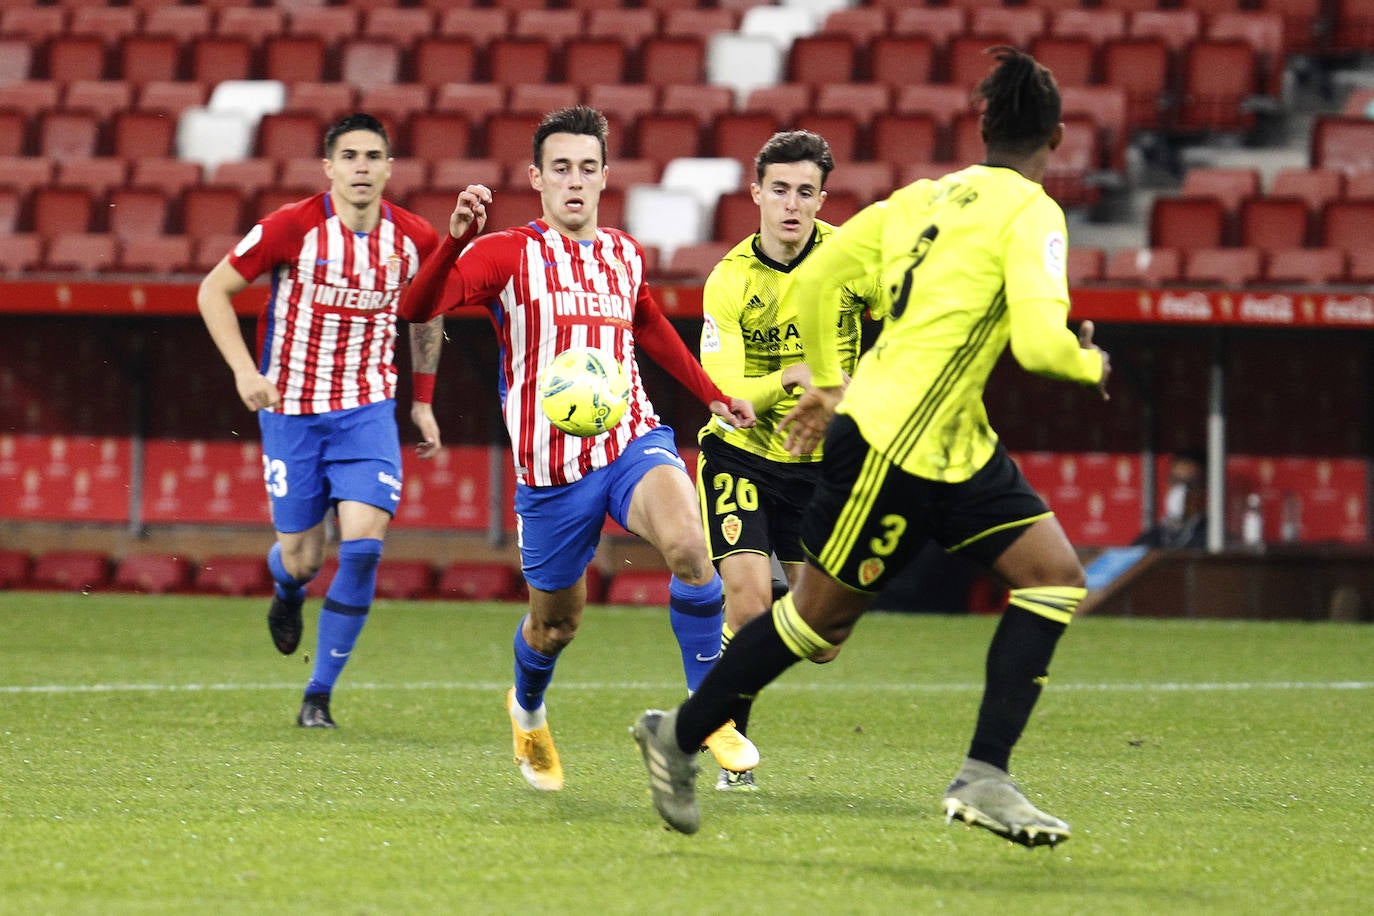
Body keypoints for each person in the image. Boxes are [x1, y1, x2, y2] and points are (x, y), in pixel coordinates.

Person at [632, 47, 1111, 846]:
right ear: (1056, 137)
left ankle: (986, 776)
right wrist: (1091, 358)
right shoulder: (1034, 214)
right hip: (895, 441)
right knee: (816, 625)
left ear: (983, 125)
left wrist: (819, 379)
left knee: (1054, 578)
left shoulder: (920, 198)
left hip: (955, 443)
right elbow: (1039, 344)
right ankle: (678, 736)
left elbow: (819, 283)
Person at [398, 105, 758, 792]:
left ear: (603, 177)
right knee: (555, 625)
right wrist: (451, 241)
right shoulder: (504, 253)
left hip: (630, 441)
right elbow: (418, 308)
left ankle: (710, 714)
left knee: (688, 545)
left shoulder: (624, 253)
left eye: (587, 169)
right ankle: (526, 707)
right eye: (560, 168)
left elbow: (648, 324)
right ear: (537, 177)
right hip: (552, 472)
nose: (574, 181)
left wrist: (710, 392)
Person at [197, 113, 445, 729]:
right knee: (304, 559)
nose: (362, 167)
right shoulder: (290, 227)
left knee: (362, 547)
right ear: (329, 167)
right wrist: (244, 373)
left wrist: (422, 400)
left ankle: (318, 695)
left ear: (389, 168)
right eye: (350, 156)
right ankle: (286, 590)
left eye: (373, 156)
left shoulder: (415, 238)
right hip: (293, 414)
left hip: (366, 411)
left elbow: (427, 314)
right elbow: (212, 291)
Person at [694, 130, 883, 790]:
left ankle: (774, 609)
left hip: (821, 468)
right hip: (741, 455)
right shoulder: (729, 280)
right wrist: (794, 381)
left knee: (825, 642)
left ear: (822, 198)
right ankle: (728, 745)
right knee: (744, 605)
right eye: (780, 190)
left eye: (806, 191)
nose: (793, 205)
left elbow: (911, 315)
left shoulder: (852, 262)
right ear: (757, 195)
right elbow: (724, 394)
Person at [1133, 451, 1207, 549]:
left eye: (1191, 484)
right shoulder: (1149, 539)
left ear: (1204, 489)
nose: (1182, 490)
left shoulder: (1212, 538)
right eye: (1175, 481)